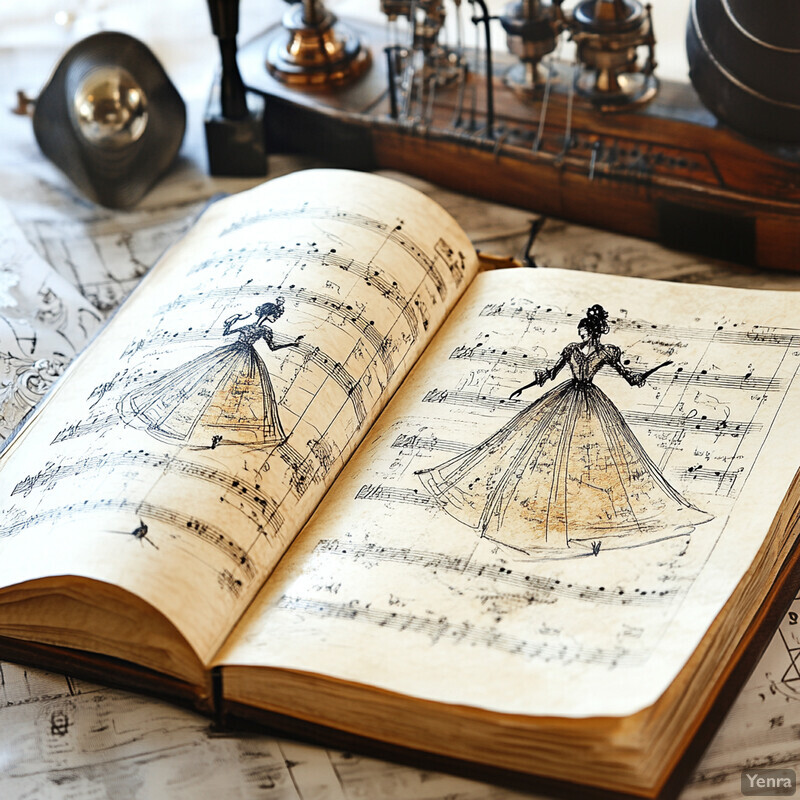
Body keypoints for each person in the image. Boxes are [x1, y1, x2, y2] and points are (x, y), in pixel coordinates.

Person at [416, 304, 709, 554]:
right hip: (564, 398)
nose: (580, 334)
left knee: (592, 460)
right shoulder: (573, 350)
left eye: (583, 330)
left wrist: (640, 377)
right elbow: (552, 374)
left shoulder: (607, 352)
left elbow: (628, 378)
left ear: (590, 332)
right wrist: (529, 384)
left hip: (591, 403)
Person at [119, 298, 303, 447]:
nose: (274, 319)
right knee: (211, 385)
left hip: (241, 355)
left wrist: (291, 344)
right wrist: (233, 321)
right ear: (267, 314)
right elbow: (262, 344)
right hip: (238, 354)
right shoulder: (261, 329)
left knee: (234, 392)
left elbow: (269, 346)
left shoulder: (260, 329)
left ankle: (214, 429)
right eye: (274, 316)